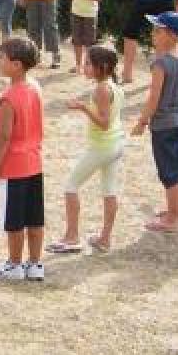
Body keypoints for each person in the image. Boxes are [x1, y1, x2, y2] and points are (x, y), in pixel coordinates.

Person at [50, 45, 125, 254]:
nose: (84, 67)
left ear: (102, 67)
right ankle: (104, 239)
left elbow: (104, 123)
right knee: (109, 190)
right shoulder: (113, 86)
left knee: (70, 186)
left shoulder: (101, 89)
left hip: (103, 146)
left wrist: (83, 108)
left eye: (88, 64)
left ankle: (72, 237)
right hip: (115, 144)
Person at [132, 12, 178, 233]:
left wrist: (142, 121)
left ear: (171, 35)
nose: (153, 34)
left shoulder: (160, 62)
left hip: (165, 125)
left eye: (157, 30)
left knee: (169, 173)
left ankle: (172, 219)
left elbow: (154, 96)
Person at [0, 37, 46, 282]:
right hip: (34, 163)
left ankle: (14, 264)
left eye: (2, 58)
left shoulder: (9, 97)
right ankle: (35, 264)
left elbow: (3, 136)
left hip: (13, 166)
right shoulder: (35, 88)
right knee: (35, 217)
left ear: (17, 64)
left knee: (14, 220)